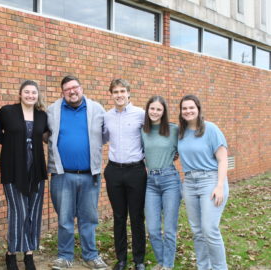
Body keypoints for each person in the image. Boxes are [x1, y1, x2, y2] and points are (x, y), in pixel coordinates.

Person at [47, 75, 107, 270]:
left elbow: (105, 135)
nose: (72, 92)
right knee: (64, 219)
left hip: (90, 175)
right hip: (63, 175)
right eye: (67, 89)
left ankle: (91, 255)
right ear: (62, 93)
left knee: (88, 218)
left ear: (81, 88)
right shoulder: (52, 110)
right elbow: (45, 135)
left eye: (75, 87)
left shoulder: (97, 109)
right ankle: (65, 256)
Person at [0, 80, 48, 270]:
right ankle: (11, 253)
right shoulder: (7, 112)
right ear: (20, 94)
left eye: (33, 93)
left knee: (33, 212)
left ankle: (29, 254)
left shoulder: (42, 116)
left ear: (37, 95)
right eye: (26, 92)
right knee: (19, 212)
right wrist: (11, 145)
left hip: (36, 171)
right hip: (12, 170)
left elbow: (47, 136)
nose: (30, 96)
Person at [177, 95, 229, 270]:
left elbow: (223, 159)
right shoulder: (181, 132)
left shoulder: (211, 129)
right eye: (184, 108)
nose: (188, 111)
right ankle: (203, 267)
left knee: (209, 229)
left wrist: (220, 186)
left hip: (211, 180)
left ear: (198, 109)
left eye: (191, 107)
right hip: (190, 183)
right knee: (197, 231)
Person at [103, 79, 147, 270]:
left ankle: (139, 260)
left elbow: (151, 137)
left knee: (137, 217)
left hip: (136, 171)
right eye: (115, 91)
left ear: (129, 93)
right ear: (111, 94)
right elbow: (102, 138)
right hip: (114, 171)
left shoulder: (141, 115)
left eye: (122, 91)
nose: (119, 95)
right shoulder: (107, 116)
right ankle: (121, 259)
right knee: (119, 217)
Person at [141, 96, 181, 270]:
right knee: (153, 228)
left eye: (158, 109)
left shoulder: (173, 130)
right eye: (152, 109)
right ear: (147, 110)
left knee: (170, 229)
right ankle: (161, 261)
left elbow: (183, 149)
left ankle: (167, 265)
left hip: (170, 180)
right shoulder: (143, 130)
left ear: (163, 112)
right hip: (150, 182)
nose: (155, 112)